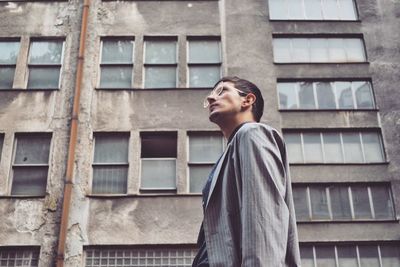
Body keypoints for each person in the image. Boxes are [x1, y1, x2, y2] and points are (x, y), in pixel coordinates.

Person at [192, 76, 301, 267]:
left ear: (248, 100)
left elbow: (263, 218)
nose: (210, 98)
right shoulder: (232, 150)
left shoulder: (252, 134)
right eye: (210, 94)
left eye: (222, 91)